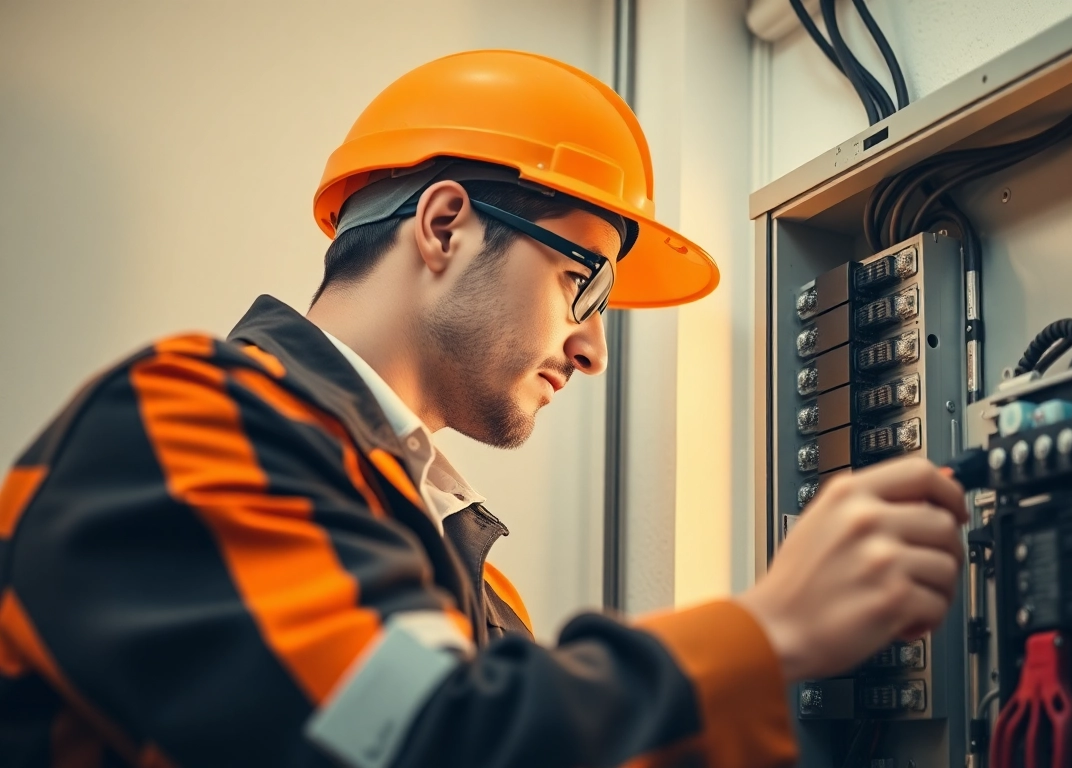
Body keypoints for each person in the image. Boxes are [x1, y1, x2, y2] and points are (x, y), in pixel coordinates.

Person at [0, 50, 967, 767]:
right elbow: (424, 744)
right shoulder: (186, 426)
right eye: (581, 284)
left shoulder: (477, 598)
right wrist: (771, 632)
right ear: (445, 223)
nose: (592, 349)